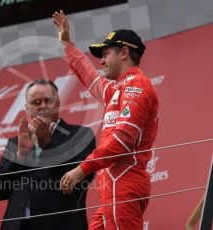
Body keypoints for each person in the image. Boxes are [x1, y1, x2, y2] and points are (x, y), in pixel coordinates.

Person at [52, 10, 159, 230]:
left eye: (105, 54)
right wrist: (67, 45)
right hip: (113, 188)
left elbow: (123, 140)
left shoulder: (137, 85)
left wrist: (82, 168)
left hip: (124, 184)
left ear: (124, 53)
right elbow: (89, 77)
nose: (101, 62)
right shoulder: (117, 90)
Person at [0, 79, 96, 230]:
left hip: (61, 224)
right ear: (27, 108)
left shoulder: (80, 135)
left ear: (59, 103)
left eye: (48, 101)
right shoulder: (16, 142)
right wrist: (20, 157)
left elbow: (82, 177)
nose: (43, 106)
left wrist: (48, 146)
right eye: (36, 102)